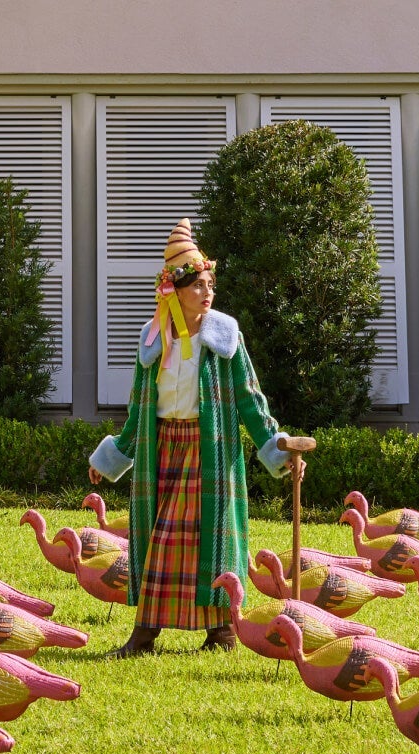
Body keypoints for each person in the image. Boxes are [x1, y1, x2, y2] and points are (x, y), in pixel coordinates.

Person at [88, 218, 312, 657]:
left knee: (200, 540)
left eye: (210, 284)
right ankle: (158, 634)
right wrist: (110, 458)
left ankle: (207, 632)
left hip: (208, 452)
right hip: (162, 451)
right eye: (198, 285)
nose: (207, 292)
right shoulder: (152, 341)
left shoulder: (224, 337)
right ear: (174, 291)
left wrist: (278, 448)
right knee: (163, 538)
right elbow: (138, 411)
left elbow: (250, 399)